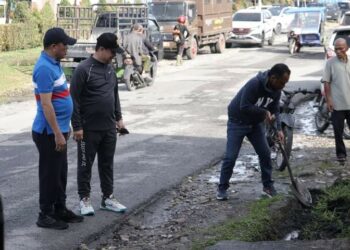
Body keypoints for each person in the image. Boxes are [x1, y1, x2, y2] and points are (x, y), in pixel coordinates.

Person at [70, 33, 128, 216]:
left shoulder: (110, 69)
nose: (113, 55)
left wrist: (119, 119)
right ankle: (84, 199)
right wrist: (77, 127)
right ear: (101, 49)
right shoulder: (83, 69)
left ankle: (108, 198)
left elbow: (114, 95)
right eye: (112, 51)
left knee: (107, 164)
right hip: (88, 130)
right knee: (85, 164)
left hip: (109, 127)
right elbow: (74, 101)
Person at [32, 27, 84, 230]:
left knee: (60, 172)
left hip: (59, 130)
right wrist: (56, 133)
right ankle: (45, 214)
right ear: (54, 46)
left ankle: (59, 209)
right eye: (65, 45)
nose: (67, 49)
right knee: (49, 174)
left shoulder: (54, 63)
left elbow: (60, 97)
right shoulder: (44, 68)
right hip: (48, 133)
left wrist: (65, 127)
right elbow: (46, 104)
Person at [216, 63, 291, 200]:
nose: (283, 86)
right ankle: (222, 188)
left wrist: (279, 129)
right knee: (231, 157)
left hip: (255, 124)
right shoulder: (254, 84)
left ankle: (268, 186)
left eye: (285, 83)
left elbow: (275, 110)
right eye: (282, 82)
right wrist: (264, 112)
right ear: (273, 78)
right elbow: (244, 106)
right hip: (237, 122)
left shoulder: (276, 90)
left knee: (265, 154)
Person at [323, 38, 350, 163]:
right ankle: (341, 154)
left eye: (341, 48)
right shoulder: (330, 63)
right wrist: (329, 101)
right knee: (338, 132)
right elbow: (327, 83)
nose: (338, 51)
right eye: (336, 49)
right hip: (337, 104)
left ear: (347, 48)